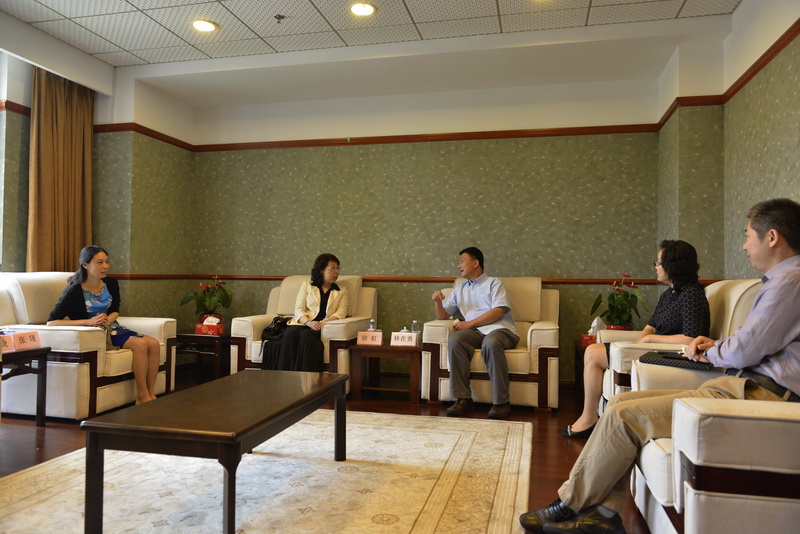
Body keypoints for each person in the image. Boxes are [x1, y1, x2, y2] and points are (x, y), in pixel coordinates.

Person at [520, 197, 800, 534]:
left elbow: (744, 350)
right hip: (744, 384)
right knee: (620, 402)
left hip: (762, 393)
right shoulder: (781, 281)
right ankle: (602, 516)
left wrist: (710, 351)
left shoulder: (789, 281)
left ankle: (569, 505)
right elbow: (753, 343)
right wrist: (715, 345)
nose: (744, 245)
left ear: (772, 237)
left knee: (623, 415)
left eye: (747, 236)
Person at [564, 240, 710, 438]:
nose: (656, 267)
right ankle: (589, 416)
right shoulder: (669, 294)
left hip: (676, 356)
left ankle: (588, 418)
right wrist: (638, 344)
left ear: (673, 265)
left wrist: (650, 341)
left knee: (592, 353)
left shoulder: (692, 294)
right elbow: (651, 326)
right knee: (592, 351)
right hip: (655, 350)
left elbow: (691, 339)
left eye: (658, 262)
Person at [47, 245, 161, 404]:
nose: (105, 266)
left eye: (107, 262)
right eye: (99, 262)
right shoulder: (74, 291)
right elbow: (52, 322)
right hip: (95, 333)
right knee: (140, 344)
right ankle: (142, 396)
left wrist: (108, 319)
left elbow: (115, 310)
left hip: (112, 327)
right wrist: (89, 321)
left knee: (154, 344)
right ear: (85, 265)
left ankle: (151, 394)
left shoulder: (111, 283)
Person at [432, 247, 519, 420]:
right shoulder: (460, 288)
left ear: (475, 263)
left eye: (461, 261)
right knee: (455, 340)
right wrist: (438, 302)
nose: (458, 266)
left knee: (491, 343)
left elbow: (498, 311)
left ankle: (501, 403)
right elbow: (443, 316)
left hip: (500, 329)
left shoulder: (494, 283)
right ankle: (463, 399)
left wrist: (469, 324)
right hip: (476, 332)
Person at [274, 253, 348, 372]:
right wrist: (308, 322)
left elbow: (342, 311)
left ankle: (306, 377)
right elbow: (299, 308)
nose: (336, 272)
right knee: (291, 333)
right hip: (303, 323)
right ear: (322, 270)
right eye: (332, 268)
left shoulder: (341, 291)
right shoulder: (307, 286)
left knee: (307, 335)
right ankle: (284, 376)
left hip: (321, 326)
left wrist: (324, 322)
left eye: (337, 268)